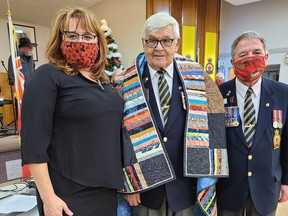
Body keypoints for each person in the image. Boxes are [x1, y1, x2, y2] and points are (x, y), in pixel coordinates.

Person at [119, 12, 228, 216]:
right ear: (143, 42)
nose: (158, 47)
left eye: (166, 40)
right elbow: (116, 136)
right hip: (144, 191)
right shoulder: (126, 82)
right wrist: (127, 184)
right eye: (152, 40)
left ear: (176, 43)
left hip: (185, 189)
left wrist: (206, 179)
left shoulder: (199, 79)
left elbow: (215, 128)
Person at [21, 7, 123, 216]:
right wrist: (49, 199)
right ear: (60, 39)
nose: (81, 42)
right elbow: (34, 145)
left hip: (105, 191)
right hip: (67, 194)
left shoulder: (103, 80)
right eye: (72, 35)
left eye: (88, 36)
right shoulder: (47, 76)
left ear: (98, 41)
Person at [217, 30, 288, 216]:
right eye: (243, 54)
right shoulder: (218, 94)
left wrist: (287, 181)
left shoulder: (283, 93)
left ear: (266, 56)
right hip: (228, 190)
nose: (250, 58)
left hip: (267, 188)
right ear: (233, 62)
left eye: (256, 53)